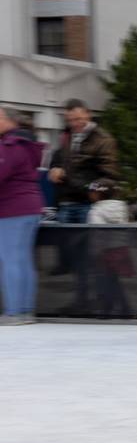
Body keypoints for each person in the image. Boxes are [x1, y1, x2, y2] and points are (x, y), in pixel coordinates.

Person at [48, 99, 119, 313]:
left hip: (87, 204)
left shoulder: (103, 139)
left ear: (88, 114)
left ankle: (104, 302)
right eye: (70, 120)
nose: (75, 123)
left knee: (94, 256)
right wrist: (55, 169)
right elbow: (58, 160)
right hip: (67, 203)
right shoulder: (66, 136)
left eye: (78, 119)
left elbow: (111, 176)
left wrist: (91, 189)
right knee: (76, 259)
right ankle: (81, 301)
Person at [0, 106, 45, 325]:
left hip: (12, 209)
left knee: (10, 260)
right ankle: (26, 311)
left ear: (10, 121)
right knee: (23, 260)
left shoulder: (9, 145)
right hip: (31, 207)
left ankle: (13, 312)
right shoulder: (28, 145)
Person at [87, 179, 134, 318]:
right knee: (113, 280)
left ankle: (108, 310)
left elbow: (97, 233)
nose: (89, 195)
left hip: (105, 250)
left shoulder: (96, 211)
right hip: (120, 247)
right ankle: (124, 309)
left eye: (92, 192)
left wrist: (95, 251)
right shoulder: (122, 207)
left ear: (98, 194)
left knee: (105, 280)